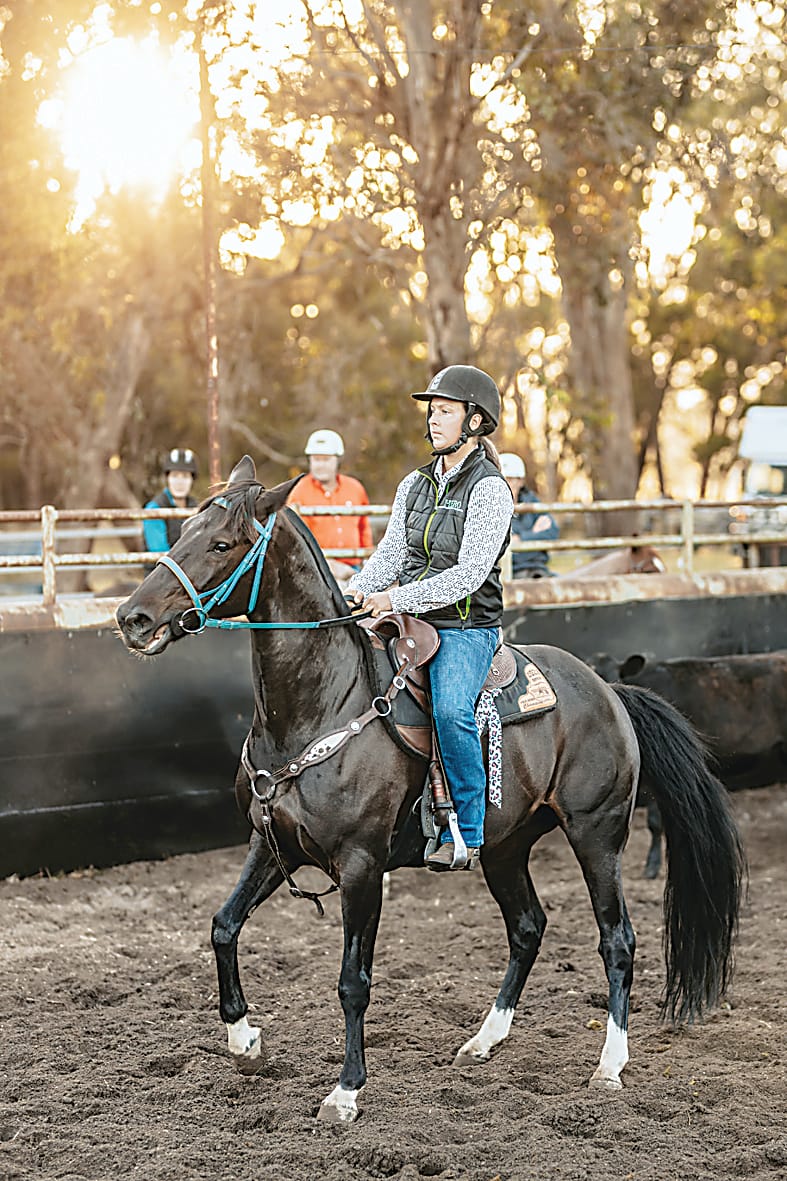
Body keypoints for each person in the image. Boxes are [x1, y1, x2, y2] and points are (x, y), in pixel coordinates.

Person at [347, 365, 514, 871]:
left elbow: (469, 575)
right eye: (432, 411)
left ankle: (467, 829)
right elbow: (391, 553)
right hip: (409, 616)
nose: (433, 420)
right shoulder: (414, 484)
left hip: (465, 627)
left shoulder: (491, 490)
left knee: (451, 710)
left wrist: (396, 599)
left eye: (445, 411)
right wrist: (358, 589)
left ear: (475, 421)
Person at [287, 429, 372, 578]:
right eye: (316, 459)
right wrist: (328, 564)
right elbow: (295, 537)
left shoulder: (355, 488)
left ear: (337, 460)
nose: (321, 465)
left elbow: (364, 528)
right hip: (316, 570)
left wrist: (367, 561)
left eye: (326, 459)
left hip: (354, 569)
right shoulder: (298, 491)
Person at [499, 452, 560, 579]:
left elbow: (553, 532)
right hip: (509, 573)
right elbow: (502, 549)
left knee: (567, 585)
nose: (505, 485)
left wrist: (520, 538)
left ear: (520, 481)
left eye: (510, 479)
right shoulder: (490, 507)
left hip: (539, 569)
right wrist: (535, 534)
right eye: (502, 480)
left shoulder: (530, 501)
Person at [143, 448, 199, 554]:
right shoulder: (154, 508)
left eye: (185, 476)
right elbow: (158, 550)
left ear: (192, 480)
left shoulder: (197, 507)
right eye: (175, 476)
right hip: (164, 564)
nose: (180, 482)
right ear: (167, 478)